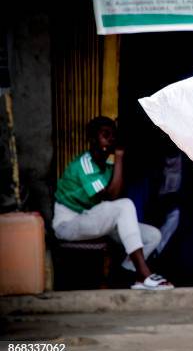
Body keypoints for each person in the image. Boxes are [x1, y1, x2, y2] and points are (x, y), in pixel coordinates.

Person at [52, 116, 174, 290]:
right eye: (105, 134)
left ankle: (123, 274)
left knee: (153, 236)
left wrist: (117, 159)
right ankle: (144, 274)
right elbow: (112, 196)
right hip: (69, 224)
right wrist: (119, 156)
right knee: (124, 205)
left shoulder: (109, 164)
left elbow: (114, 199)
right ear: (93, 139)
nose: (111, 139)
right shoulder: (85, 164)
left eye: (113, 135)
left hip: (94, 219)